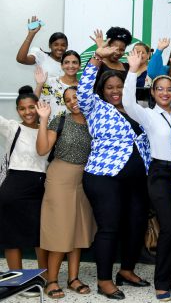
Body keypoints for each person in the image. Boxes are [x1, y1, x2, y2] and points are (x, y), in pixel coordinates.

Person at [78, 40, 152, 300]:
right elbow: (83, 91)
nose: (115, 91)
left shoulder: (137, 109)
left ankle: (127, 271)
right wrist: (96, 59)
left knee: (136, 225)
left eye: (119, 86)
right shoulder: (95, 107)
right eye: (109, 87)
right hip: (104, 177)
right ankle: (104, 280)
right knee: (109, 227)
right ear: (102, 89)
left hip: (137, 179)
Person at [123, 49, 171, 301]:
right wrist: (132, 71)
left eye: (169, 89)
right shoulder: (148, 116)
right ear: (153, 92)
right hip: (160, 173)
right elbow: (128, 103)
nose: (165, 93)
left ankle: (169, 277)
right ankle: (161, 282)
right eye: (160, 89)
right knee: (169, 227)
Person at [36, 91, 96, 299]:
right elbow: (42, 149)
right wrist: (44, 120)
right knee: (60, 229)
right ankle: (51, 281)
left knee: (78, 229)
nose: (72, 102)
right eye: (68, 100)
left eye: (76, 97)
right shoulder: (60, 120)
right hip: (60, 178)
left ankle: (73, 278)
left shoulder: (95, 121)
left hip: (84, 178)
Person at [0, 87, 49, 294]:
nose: (27, 112)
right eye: (22, 108)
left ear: (38, 107)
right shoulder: (12, 127)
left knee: (41, 236)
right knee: (12, 237)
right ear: (17, 110)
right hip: (14, 187)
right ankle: (16, 281)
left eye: (31, 107)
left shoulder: (48, 129)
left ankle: (44, 277)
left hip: (40, 186)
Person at [34, 50, 81, 119]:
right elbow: (34, 103)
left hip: (76, 125)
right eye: (66, 62)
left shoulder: (83, 87)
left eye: (74, 62)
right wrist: (39, 85)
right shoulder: (51, 82)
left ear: (79, 66)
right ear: (62, 66)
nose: (71, 66)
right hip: (51, 125)